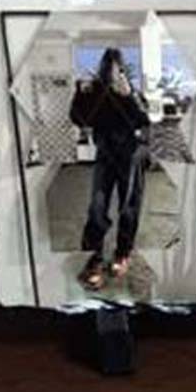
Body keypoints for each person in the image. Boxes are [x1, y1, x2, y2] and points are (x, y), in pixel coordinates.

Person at [69, 48, 151, 290]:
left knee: (128, 206)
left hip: (131, 155)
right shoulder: (93, 90)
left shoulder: (129, 89)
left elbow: (144, 120)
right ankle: (93, 258)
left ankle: (122, 253)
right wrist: (79, 93)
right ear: (103, 69)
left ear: (122, 69)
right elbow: (79, 119)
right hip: (105, 153)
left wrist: (130, 96)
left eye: (117, 68)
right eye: (108, 68)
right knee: (97, 205)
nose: (113, 73)